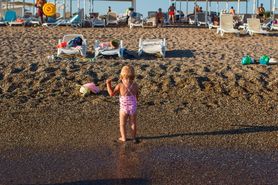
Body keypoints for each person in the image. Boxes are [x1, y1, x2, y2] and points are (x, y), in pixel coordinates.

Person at [106, 65, 139, 143]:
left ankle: (123, 138)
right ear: (133, 75)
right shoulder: (135, 85)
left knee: (122, 124)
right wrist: (135, 102)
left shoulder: (120, 85)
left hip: (123, 109)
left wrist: (108, 84)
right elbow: (137, 96)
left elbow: (111, 94)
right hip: (133, 108)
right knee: (133, 123)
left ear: (122, 75)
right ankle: (134, 138)